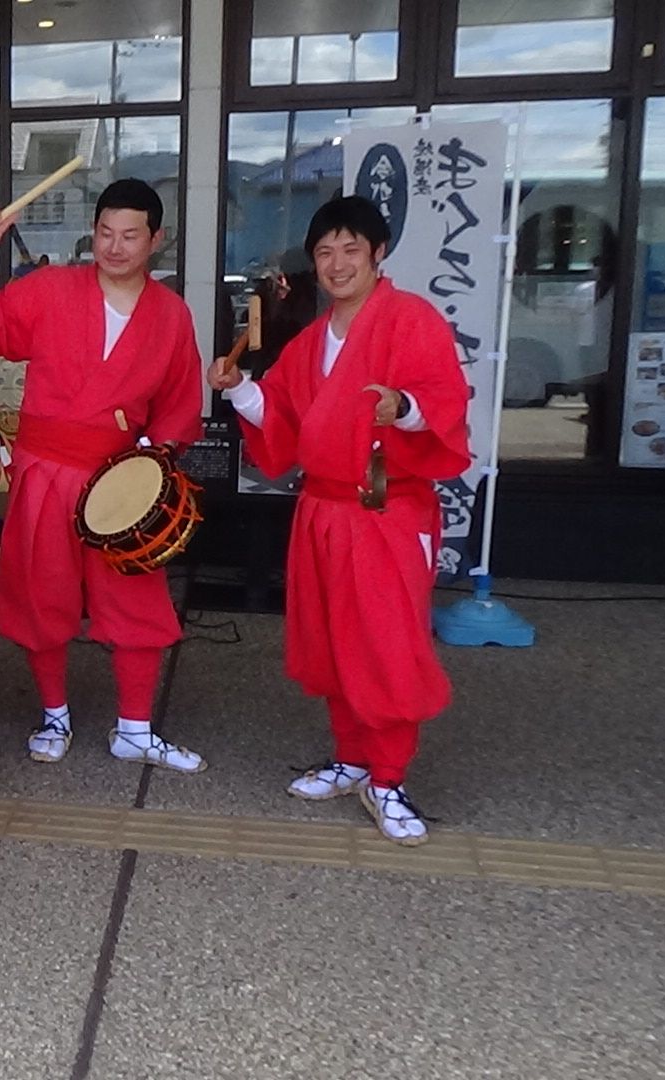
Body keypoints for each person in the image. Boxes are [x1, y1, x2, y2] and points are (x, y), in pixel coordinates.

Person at [207, 194, 470, 846]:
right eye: (325, 251)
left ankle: (388, 778)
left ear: (379, 253)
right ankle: (351, 760)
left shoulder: (412, 322)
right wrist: (238, 387)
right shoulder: (309, 342)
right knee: (331, 642)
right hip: (323, 510)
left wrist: (402, 406)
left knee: (385, 645)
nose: (337, 262)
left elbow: (441, 400)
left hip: (385, 508)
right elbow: (286, 422)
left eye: (351, 249)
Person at [0, 178, 206, 771]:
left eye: (130, 235)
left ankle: (136, 728)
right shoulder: (50, 289)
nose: (115, 247)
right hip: (46, 470)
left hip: (124, 480)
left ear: (156, 240)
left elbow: (179, 405)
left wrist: (149, 463)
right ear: (91, 233)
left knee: (136, 597)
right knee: (43, 594)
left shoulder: (171, 314)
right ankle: (54, 716)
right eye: (105, 233)